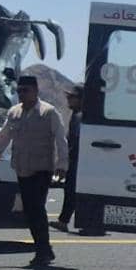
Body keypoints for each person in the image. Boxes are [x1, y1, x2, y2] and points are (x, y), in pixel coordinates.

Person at [0, 75, 68, 268]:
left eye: (25, 90)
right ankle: (44, 249)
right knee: (30, 211)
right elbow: (2, 137)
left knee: (37, 209)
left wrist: (62, 165)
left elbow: (61, 140)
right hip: (22, 168)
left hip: (41, 169)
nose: (21, 94)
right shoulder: (14, 112)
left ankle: (42, 251)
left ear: (35, 91)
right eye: (19, 91)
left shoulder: (48, 112)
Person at [51, 85, 84, 232]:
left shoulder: (79, 117)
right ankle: (64, 220)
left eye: (72, 97)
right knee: (72, 192)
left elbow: (75, 142)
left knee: (71, 191)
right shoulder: (77, 115)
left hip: (77, 161)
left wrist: (66, 162)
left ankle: (65, 221)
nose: (68, 100)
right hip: (77, 160)